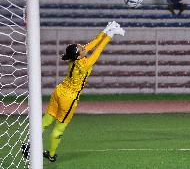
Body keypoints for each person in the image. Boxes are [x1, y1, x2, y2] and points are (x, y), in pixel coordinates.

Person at [22, 21, 125, 162]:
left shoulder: (74, 58)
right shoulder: (85, 64)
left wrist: (106, 30)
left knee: (47, 119)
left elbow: (92, 44)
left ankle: (29, 144)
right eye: (81, 48)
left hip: (59, 91)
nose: (83, 48)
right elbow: (98, 49)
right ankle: (51, 155)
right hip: (68, 98)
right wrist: (109, 35)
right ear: (79, 55)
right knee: (59, 127)